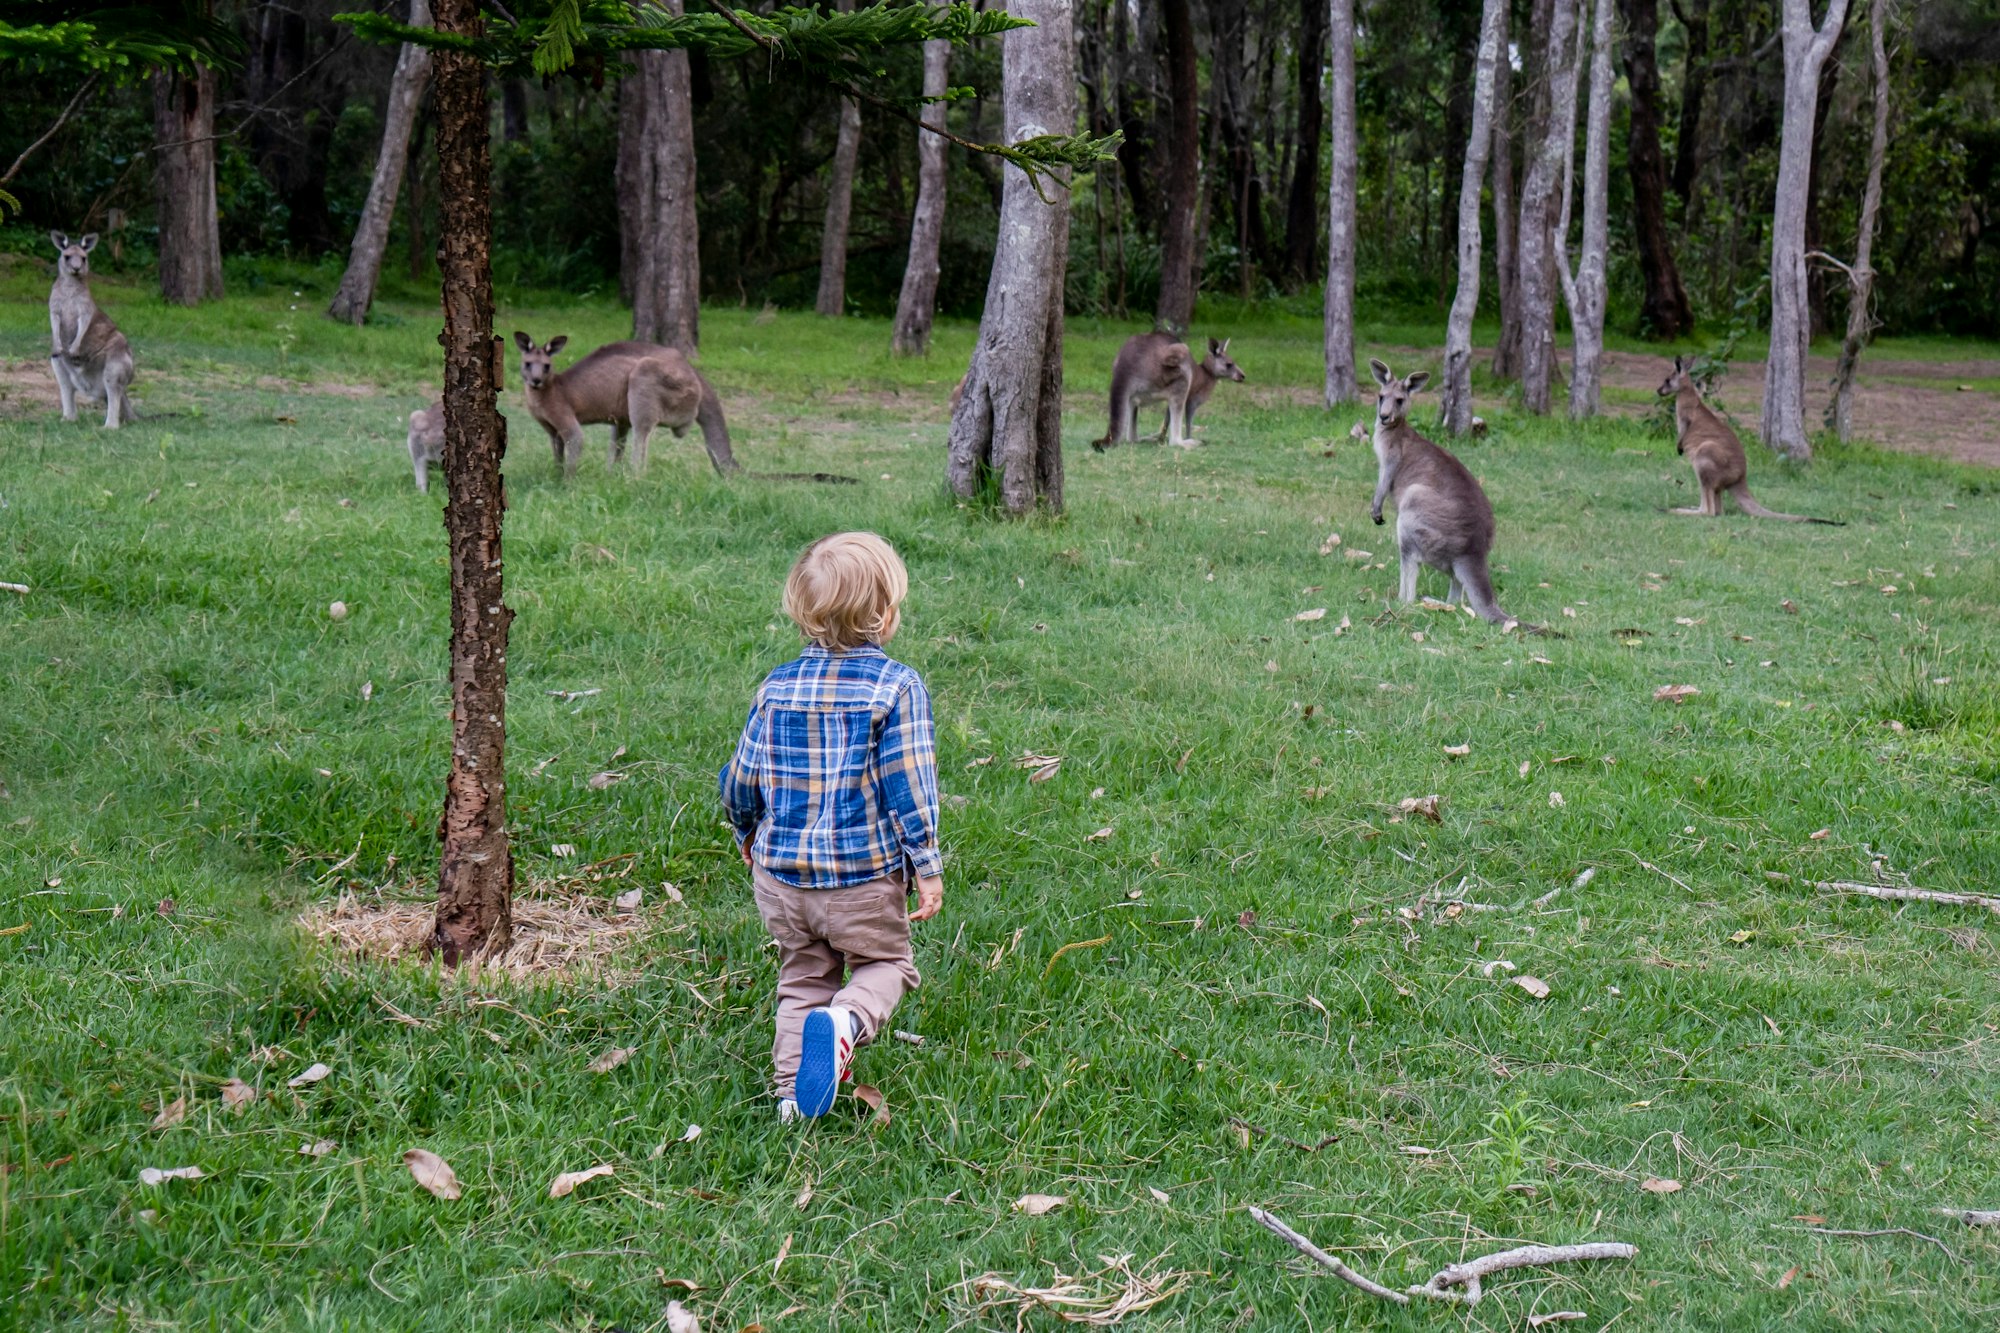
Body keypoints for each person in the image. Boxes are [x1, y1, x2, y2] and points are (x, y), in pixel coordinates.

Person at [719, 532, 945, 1120]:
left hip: (782, 880)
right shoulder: (896, 687)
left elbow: (743, 777)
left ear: (804, 611)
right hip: (861, 880)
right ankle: (847, 1021)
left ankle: (793, 1099)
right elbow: (909, 785)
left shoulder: (776, 687)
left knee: (803, 976)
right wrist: (926, 863)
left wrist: (747, 830)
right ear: (886, 613)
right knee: (886, 965)